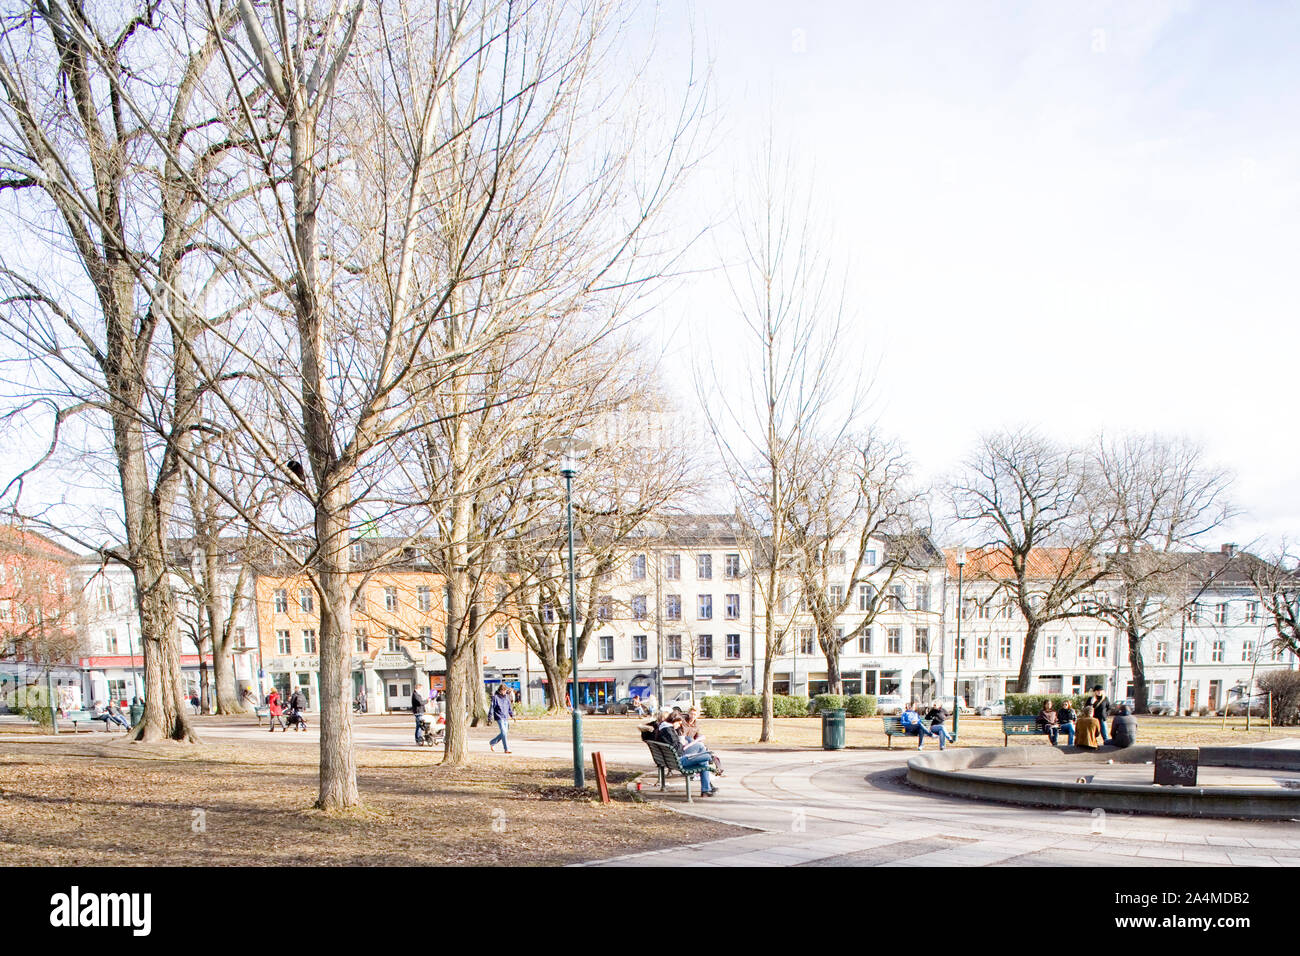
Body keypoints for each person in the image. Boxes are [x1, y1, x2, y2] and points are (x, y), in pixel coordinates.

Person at [656, 712, 718, 796]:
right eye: (679, 723)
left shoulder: (663, 728)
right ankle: (710, 759)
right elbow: (679, 750)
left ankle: (707, 787)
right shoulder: (668, 731)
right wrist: (682, 742)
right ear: (674, 721)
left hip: (671, 759)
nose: (679, 725)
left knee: (701, 751)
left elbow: (675, 747)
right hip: (680, 761)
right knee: (704, 758)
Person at [488, 683, 515, 753]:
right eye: (503, 690)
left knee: (504, 733)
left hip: (505, 717)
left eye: (505, 690)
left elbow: (509, 708)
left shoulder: (507, 697)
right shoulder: (495, 697)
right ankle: (506, 749)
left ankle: (492, 742)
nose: (504, 692)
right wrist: (490, 717)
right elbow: (492, 708)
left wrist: (512, 715)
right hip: (499, 716)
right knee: (503, 732)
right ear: (500, 690)